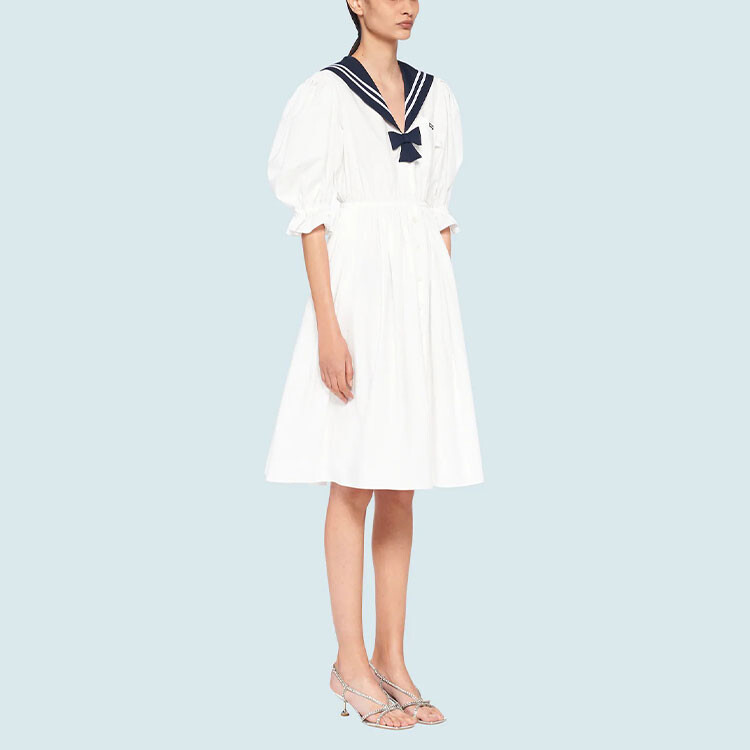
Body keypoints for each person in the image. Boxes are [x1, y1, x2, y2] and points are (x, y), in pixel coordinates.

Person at [265, 0, 484, 730]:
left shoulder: (437, 97)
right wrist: (330, 328)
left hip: (419, 307)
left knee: (402, 480)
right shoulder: (325, 95)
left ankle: (392, 656)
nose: (408, 4)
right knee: (353, 476)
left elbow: (438, 214)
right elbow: (312, 219)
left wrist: (436, 329)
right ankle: (349, 662)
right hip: (358, 301)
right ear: (355, 1)